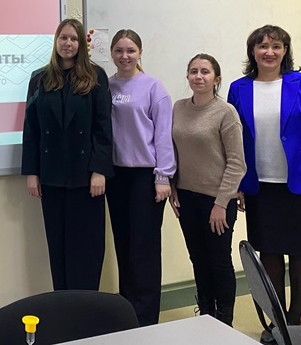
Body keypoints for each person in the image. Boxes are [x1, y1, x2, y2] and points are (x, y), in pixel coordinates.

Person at [227, 25, 301, 338]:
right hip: (261, 186)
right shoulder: (238, 88)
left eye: (276, 46)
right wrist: (238, 184)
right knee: (270, 254)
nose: (269, 52)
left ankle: (295, 321)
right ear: (252, 51)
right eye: (262, 46)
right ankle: (279, 323)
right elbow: (235, 141)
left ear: (285, 51)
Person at [21, 18, 113, 291]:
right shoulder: (39, 79)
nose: (68, 43)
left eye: (73, 39)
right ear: (56, 41)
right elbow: (31, 128)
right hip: (51, 176)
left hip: (87, 178)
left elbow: (103, 127)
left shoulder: (96, 77)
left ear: (81, 43)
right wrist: (32, 172)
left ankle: (86, 304)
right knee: (57, 245)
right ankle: (62, 303)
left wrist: (99, 170)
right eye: (63, 38)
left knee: (86, 247)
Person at [170, 54, 246, 326]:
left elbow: (237, 163)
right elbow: (171, 151)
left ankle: (224, 321)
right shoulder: (178, 108)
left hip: (217, 201)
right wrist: (172, 185)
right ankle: (206, 316)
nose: (198, 76)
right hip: (186, 198)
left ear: (217, 79)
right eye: (193, 71)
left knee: (219, 261)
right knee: (198, 260)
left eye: (205, 72)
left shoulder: (226, 112)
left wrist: (221, 203)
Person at [106, 28, 175, 326]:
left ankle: (145, 318)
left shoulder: (153, 87)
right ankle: (127, 312)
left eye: (131, 50)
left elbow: (163, 135)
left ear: (140, 53)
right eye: (119, 50)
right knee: (123, 244)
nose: (125, 56)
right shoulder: (106, 86)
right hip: (116, 176)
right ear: (112, 53)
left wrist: (163, 177)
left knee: (143, 249)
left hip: (146, 178)